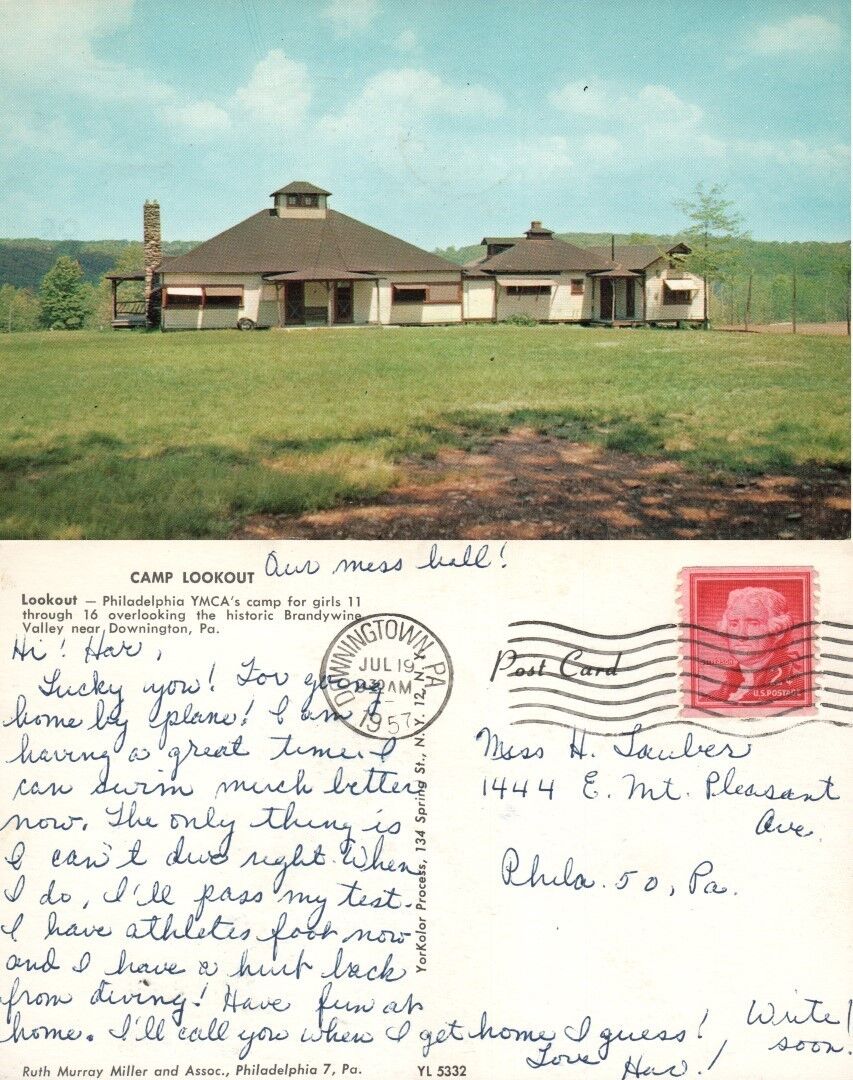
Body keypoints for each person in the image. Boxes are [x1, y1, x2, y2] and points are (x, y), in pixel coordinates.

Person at [702, 586, 806, 704]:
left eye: (754, 624)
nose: (741, 635)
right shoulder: (711, 699)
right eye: (734, 624)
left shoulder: (800, 688)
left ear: (778, 632)